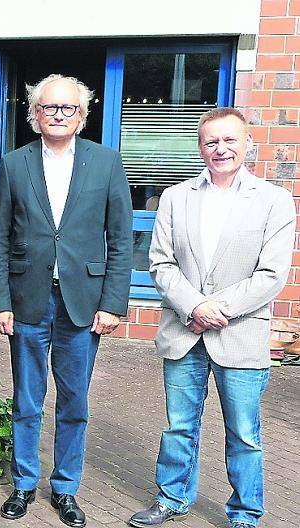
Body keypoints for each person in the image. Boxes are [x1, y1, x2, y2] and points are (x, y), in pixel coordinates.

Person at [129, 108, 296, 528]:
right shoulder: (175, 196)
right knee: (179, 426)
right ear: (200, 146)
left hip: (239, 333)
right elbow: (160, 264)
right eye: (211, 142)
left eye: (230, 140)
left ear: (247, 144)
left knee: (244, 434)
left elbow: (272, 274)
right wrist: (194, 306)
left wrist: (216, 309)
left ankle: (245, 513)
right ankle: (173, 497)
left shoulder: (274, 200)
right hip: (184, 331)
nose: (220, 149)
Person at [0, 74, 132, 528]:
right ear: (34, 114)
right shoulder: (13, 164)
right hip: (28, 299)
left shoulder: (106, 163)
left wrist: (112, 303)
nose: (58, 115)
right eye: (49, 108)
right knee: (27, 401)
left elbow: (122, 239)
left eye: (67, 109)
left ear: (82, 115)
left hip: (83, 303)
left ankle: (66, 488)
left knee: (74, 401)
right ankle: (25, 484)